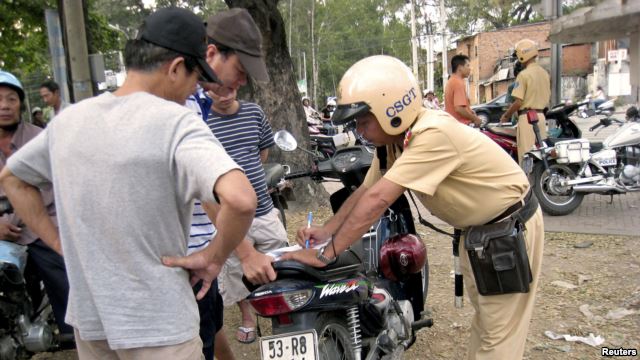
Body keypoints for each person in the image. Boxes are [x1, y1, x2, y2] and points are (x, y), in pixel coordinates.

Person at [0, 7, 257, 360]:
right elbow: (241, 199)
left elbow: (13, 179)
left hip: (92, 321)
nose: (192, 90)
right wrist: (214, 258)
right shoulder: (177, 122)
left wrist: (59, 243)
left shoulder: (69, 121)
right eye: (195, 78)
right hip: (161, 326)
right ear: (176, 67)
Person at [281, 55, 544, 360]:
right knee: (489, 322)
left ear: (391, 110)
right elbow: (364, 191)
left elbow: (378, 201)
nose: (360, 130)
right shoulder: (396, 142)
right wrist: (326, 232)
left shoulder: (432, 135)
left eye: (364, 120)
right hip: (482, 235)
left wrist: (326, 254)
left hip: (507, 230)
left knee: (499, 334)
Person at [202, 8, 287, 345]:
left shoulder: (252, 112)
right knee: (235, 273)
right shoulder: (197, 117)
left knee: (280, 258)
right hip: (224, 215)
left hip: (262, 208)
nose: (238, 84)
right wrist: (244, 249)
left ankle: (281, 308)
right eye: (238, 71)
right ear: (210, 55)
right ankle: (249, 316)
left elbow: (263, 152)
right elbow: (204, 192)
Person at [0, 70, 74, 340]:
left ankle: (74, 332)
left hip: (40, 222)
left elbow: (50, 189)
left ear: (21, 103)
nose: (4, 106)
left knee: (63, 269)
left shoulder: (39, 137)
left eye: (11, 99)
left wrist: (13, 221)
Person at [500, 39, 550, 165]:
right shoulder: (545, 74)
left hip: (527, 119)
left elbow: (518, 102)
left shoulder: (523, 75)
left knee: (527, 157)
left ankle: (528, 183)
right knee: (541, 155)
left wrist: (506, 116)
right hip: (541, 117)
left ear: (522, 55)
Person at [445, 54, 482, 126]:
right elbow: (459, 108)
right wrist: (475, 119)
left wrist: (469, 111)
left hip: (453, 125)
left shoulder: (452, 80)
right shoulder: (458, 83)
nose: (470, 68)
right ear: (460, 68)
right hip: (460, 126)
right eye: (467, 66)